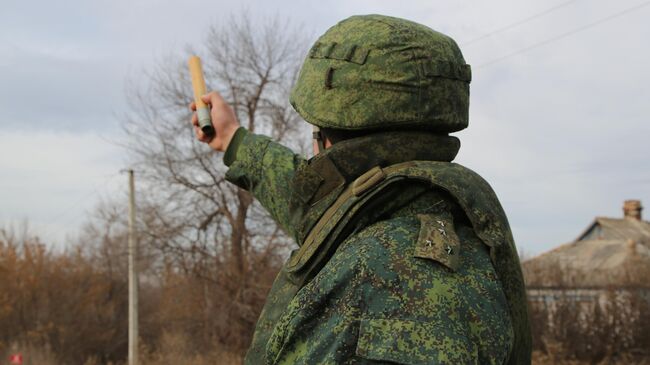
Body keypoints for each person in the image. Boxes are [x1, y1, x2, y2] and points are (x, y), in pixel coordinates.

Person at [190, 14, 531, 365]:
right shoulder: (414, 206)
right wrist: (232, 138)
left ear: (327, 145)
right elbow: (320, 207)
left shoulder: (379, 276)